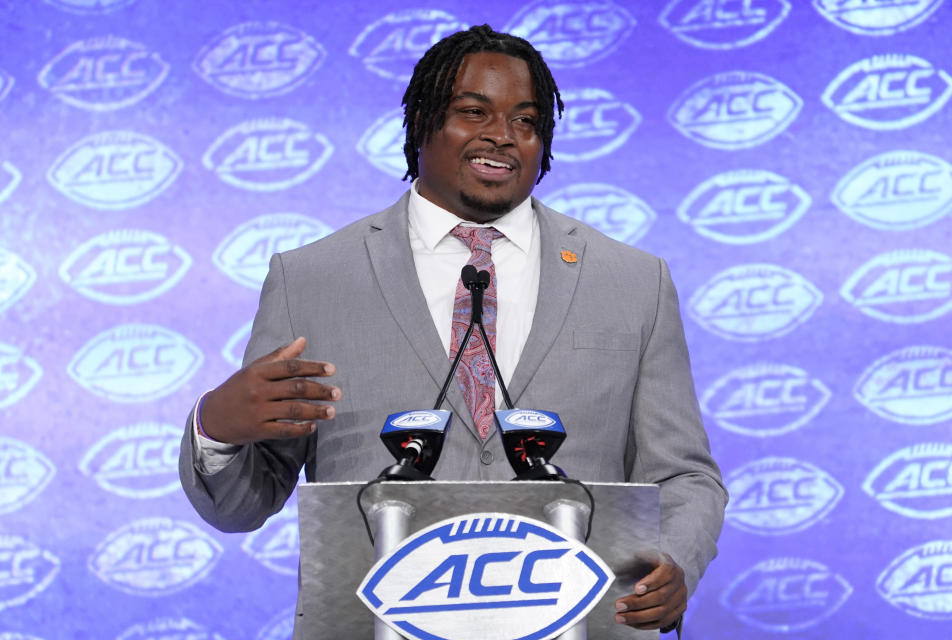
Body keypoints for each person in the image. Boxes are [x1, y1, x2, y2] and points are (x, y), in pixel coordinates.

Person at [180, 25, 726, 636]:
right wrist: (217, 430)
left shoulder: (632, 281)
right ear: (422, 123)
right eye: (473, 112)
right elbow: (243, 504)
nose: (503, 136)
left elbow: (682, 474)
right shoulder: (311, 279)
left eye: (527, 120)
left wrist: (675, 559)